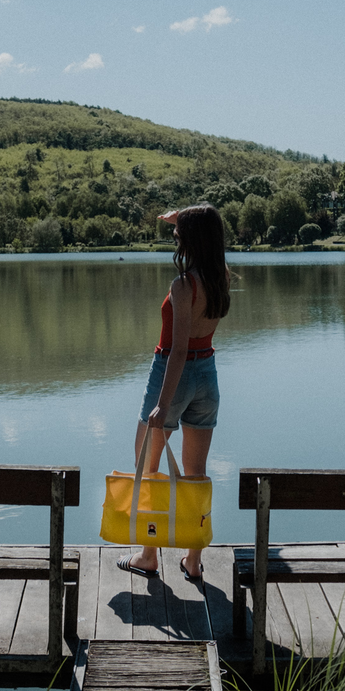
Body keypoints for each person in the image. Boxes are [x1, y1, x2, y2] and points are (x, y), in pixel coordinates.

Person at [117, 203, 232, 583]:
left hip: (173, 373)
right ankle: (193, 562)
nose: (174, 236)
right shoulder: (221, 279)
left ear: (192, 239)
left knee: (148, 469)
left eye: (179, 231)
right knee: (196, 475)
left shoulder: (183, 285)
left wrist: (162, 405)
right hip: (208, 377)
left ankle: (149, 555)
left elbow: (178, 349)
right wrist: (180, 216)